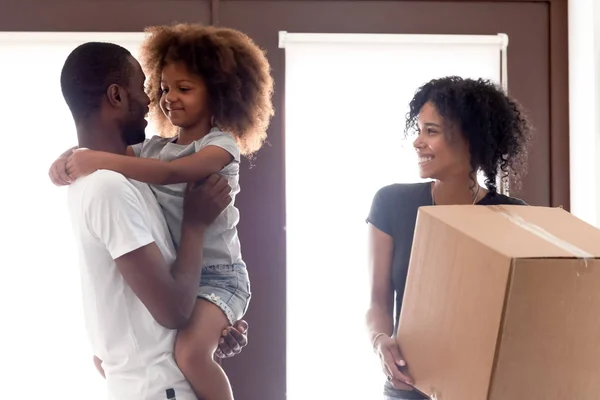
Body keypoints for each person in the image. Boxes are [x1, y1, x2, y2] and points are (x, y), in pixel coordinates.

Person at [50, 24, 274, 400]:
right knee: (191, 353)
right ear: (117, 96)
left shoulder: (137, 172)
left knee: (193, 352)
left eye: (180, 89)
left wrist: (214, 325)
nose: (156, 101)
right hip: (160, 388)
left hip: (216, 287)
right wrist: (195, 224)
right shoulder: (110, 184)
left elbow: (159, 288)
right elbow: (172, 310)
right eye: (151, 89)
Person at [366, 76, 532, 400]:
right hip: (409, 388)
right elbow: (378, 300)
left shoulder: (514, 217)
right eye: (418, 130)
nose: (418, 142)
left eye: (431, 131)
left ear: (470, 139)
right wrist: (380, 340)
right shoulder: (391, 203)